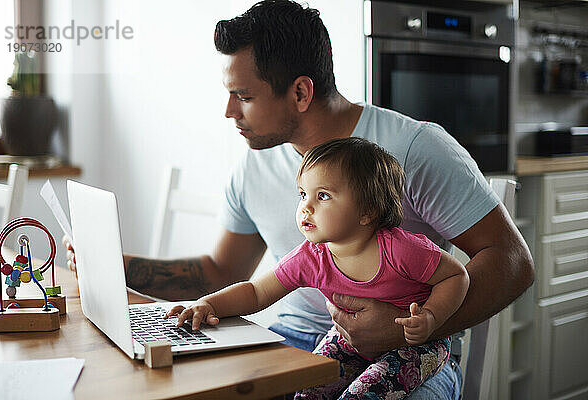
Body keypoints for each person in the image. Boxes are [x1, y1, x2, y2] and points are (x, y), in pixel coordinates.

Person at [64, 1, 534, 398]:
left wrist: (412, 326)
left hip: (411, 355)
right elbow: (223, 272)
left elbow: (513, 262)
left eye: (242, 95)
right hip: (288, 341)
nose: (229, 111)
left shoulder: (414, 149)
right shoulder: (255, 163)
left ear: (301, 92)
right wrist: (113, 265)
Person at [164, 137, 470, 399]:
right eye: (303, 194)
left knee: (364, 394)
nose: (306, 207)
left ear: (367, 211)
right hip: (347, 339)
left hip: (418, 346)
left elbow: (456, 275)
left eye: (322, 196)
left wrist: (430, 318)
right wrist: (207, 303)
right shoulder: (312, 256)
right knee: (306, 390)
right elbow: (258, 291)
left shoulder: (402, 249)